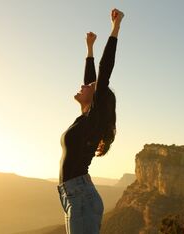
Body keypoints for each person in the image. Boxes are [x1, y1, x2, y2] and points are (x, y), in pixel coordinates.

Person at [57, 8, 125, 234]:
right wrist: (89, 49)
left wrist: (115, 27)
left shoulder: (92, 120)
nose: (84, 85)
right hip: (74, 196)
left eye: (89, 88)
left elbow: (103, 75)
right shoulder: (86, 120)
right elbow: (93, 80)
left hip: (81, 198)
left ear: (96, 99)